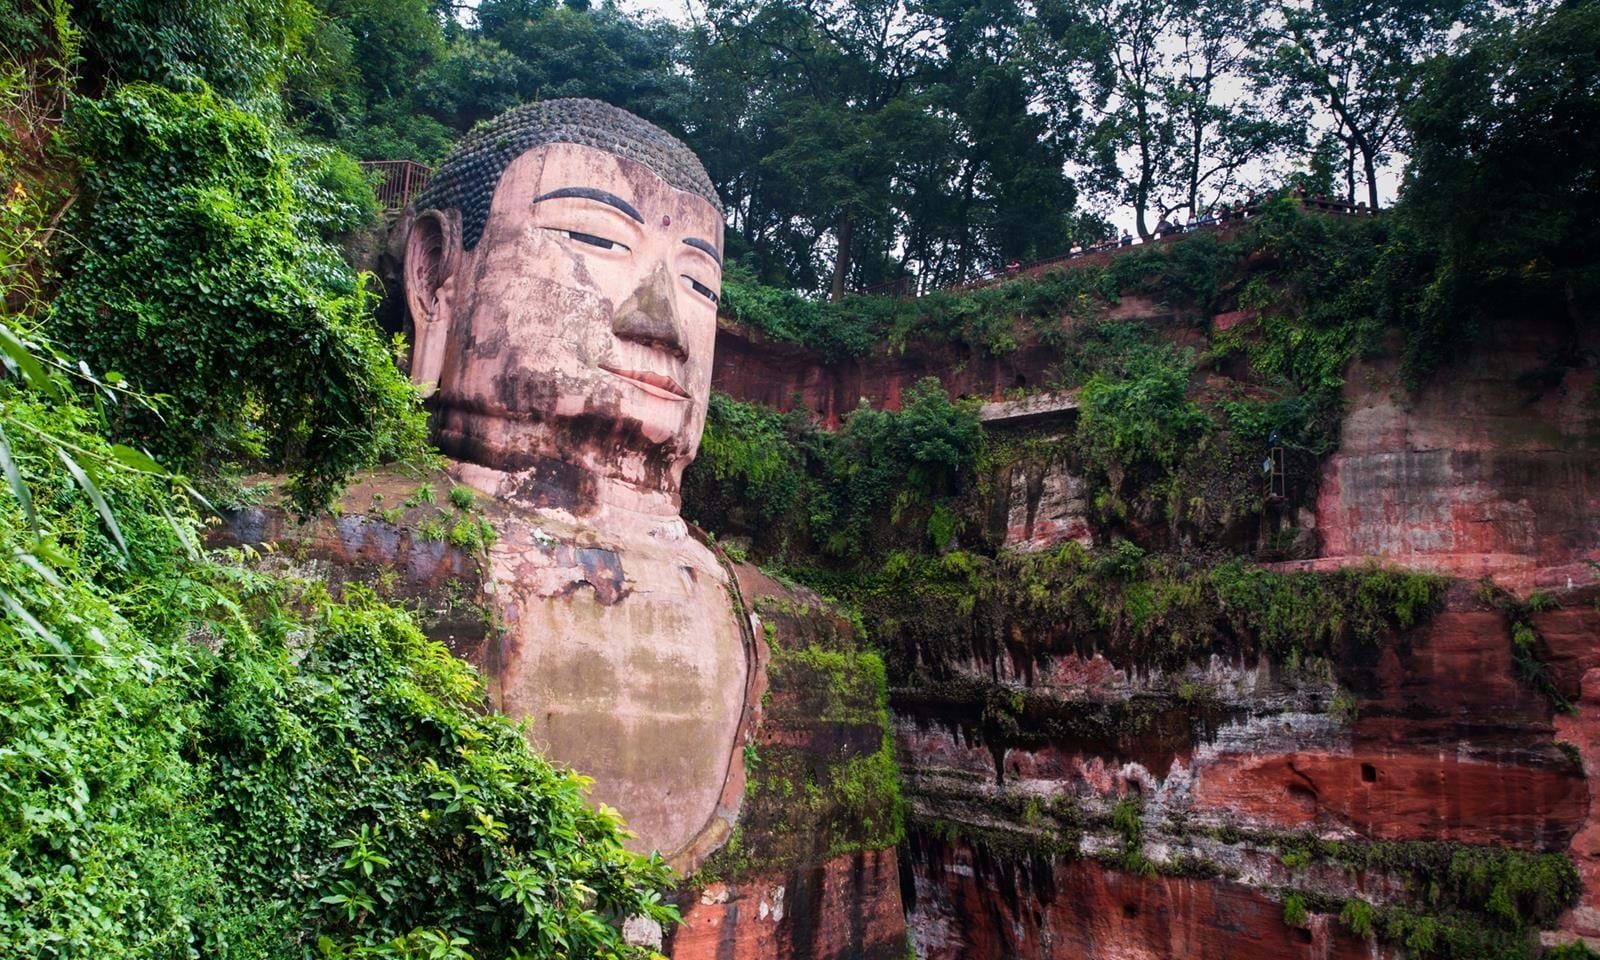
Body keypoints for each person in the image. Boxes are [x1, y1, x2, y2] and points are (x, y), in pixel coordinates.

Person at [399, 99, 751, 874]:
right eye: (595, 238)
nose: (660, 321)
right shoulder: (326, 559)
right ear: (435, 275)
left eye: (699, 285)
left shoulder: (791, 627)